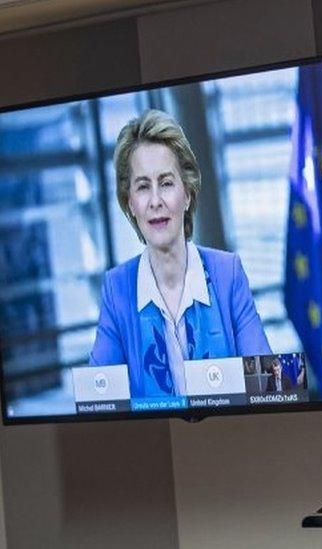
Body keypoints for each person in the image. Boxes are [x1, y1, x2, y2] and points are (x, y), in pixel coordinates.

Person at [89, 109, 271, 398]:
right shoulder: (117, 288)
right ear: (130, 203)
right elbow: (97, 400)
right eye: (143, 187)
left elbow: (268, 387)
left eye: (166, 183)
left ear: (187, 194)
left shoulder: (228, 273)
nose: (156, 201)